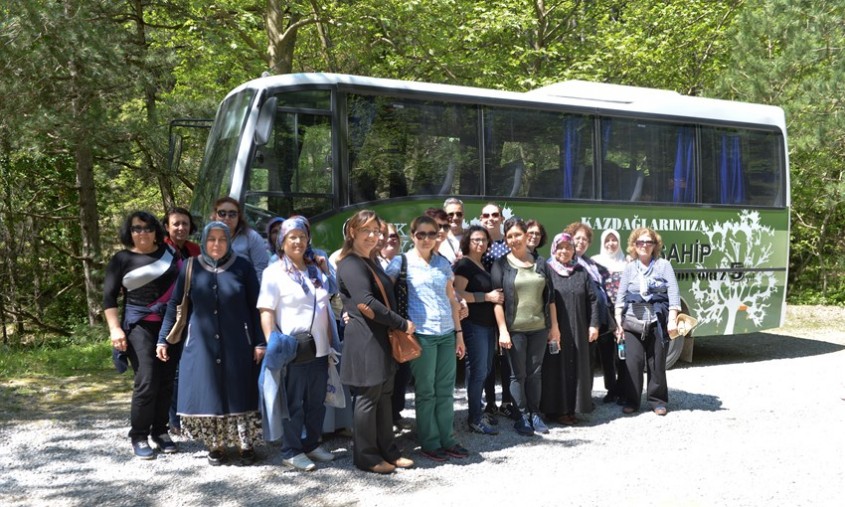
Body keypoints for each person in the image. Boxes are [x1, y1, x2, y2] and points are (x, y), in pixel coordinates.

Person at [155, 221, 265, 466]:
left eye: (222, 239)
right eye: (212, 239)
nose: (217, 244)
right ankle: (215, 446)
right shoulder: (190, 267)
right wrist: (163, 339)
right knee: (209, 393)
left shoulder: (243, 268)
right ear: (204, 241)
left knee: (239, 391)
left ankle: (245, 444)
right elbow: (175, 305)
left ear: (229, 242)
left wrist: (259, 342)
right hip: (201, 344)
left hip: (238, 342)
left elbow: (256, 307)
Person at [337, 210, 416, 474]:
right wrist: (401, 323)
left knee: (384, 396)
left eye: (377, 231)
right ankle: (367, 457)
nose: (373, 236)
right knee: (368, 398)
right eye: (366, 231)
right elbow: (366, 303)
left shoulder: (372, 261)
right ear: (352, 233)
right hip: (365, 340)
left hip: (380, 338)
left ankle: (389, 453)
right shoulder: (350, 263)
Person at [257, 217, 338, 471]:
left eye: (302, 237)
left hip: (320, 347)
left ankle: (311, 443)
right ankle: (291, 450)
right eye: (292, 237)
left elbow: (331, 300)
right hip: (293, 348)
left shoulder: (315, 270)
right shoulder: (274, 272)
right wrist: (274, 344)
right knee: (293, 403)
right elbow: (266, 311)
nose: (298, 241)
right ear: (282, 242)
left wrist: (326, 270)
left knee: (316, 401)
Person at [385, 215, 468, 462]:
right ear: (412, 236)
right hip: (421, 335)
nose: (426, 239)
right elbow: (384, 294)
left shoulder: (443, 263)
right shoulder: (401, 262)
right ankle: (430, 442)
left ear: (437, 236)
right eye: (421, 234)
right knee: (426, 391)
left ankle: (448, 439)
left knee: (445, 390)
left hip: (446, 334)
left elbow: (451, 300)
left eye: (431, 234)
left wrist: (459, 335)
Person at [103, 211, 179, 459]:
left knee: (167, 380)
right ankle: (139, 435)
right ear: (130, 232)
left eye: (147, 228)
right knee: (146, 380)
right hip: (139, 327)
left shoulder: (170, 254)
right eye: (137, 229)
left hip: (170, 327)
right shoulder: (121, 259)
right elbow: (109, 297)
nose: (142, 233)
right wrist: (115, 329)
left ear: (156, 230)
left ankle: (161, 431)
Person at [491, 217, 559, 436]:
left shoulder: (540, 264)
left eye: (517, 235)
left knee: (534, 373)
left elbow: (550, 299)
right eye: (509, 236)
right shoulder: (501, 265)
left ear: (526, 235)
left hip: (539, 328)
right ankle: (520, 416)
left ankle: (535, 414)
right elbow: (497, 301)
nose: (513, 239)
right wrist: (502, 330)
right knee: (516, 375)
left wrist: (554, 327)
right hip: (515, 330)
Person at [614, 227, 680, 416]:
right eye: (640, 242)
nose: (644, 245)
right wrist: (618, 322)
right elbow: (621, 296)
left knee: (657, 363)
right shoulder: (629, 268)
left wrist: (672, 319)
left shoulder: (664, 265)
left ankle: (657, 400)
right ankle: (632, 401)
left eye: (648, 242)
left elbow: (673, 293)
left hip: (657, 321)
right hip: (632, 323)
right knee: (632, 364)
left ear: (654, 245)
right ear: (634, 246)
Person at [541, 233, 599, 425]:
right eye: (561, 247)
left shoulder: (581, 272)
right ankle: (555, 411)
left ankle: (572, 408)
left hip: (579, 329)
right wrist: (550, 327)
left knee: (576, 368)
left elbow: (593, 299)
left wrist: (593, 324)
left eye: (568, 247)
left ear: (574, 250)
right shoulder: (547, 270)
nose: (564, 251)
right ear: (554, 249)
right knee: (556, 370)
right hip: (555, 330)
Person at [453, 225, 503, 435]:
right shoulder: (464, 264)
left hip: (487, 326)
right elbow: (457, 293)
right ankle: (474, 418)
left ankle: (477, 412)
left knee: (483, 371)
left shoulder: (481, 264)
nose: (480, 243)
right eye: (475, 239)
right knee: (478, 372)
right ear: (467, 242)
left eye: (483, 240)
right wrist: (487, 297)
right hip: (473, 325)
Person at [566, 222, 619, 403]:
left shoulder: (590, 262)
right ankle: (581, 397)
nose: (581, 242)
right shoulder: (569, 261)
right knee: (585, 359)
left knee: (605, 355)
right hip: (585, 318)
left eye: (585, 239)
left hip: (602, 314)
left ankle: (609, 390)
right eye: (578, 238)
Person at [160, 207, 200, 436]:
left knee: (186, 368)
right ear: (167, 226)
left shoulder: (195, 250)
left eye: (185, 223)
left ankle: (186, 415)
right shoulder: (161, 251)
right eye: (176, 223)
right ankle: (173, 418)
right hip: (168, 315)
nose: (181, 228)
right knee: (173, 371)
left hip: (191, 315)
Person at [479, 202, 516, 422]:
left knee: (507, 355)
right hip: (482, 308)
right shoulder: (476, 243)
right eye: (486, 215)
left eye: (495, 215)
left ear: (502, 219)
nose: (491, 218)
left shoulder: (508, 246)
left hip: (506, 306)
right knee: (487, 357)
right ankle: (490, 401)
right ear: (481, 218)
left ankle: (508, 401)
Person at [592, 228, 629, 403]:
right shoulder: (595, 262)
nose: (611, 243)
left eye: (614, 240)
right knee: (606, 355)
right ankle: (611, 389)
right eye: (607, 240)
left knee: (623, 354)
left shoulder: (627, 262)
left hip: (623, 314)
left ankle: (623, 389)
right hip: (605, 314)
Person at [211, 197, 270, 281]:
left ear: (239, 216)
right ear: (215, 216)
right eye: (222, 213)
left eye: (232, 214)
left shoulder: (252, 237)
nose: (227, 217)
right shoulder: (208, 237)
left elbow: (261, 270)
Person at [439, 197, 464, 263]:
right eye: (450, 214)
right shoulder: (438, 239)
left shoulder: (471, 237)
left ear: (463, 215)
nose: (455, 218)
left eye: (459, 214)